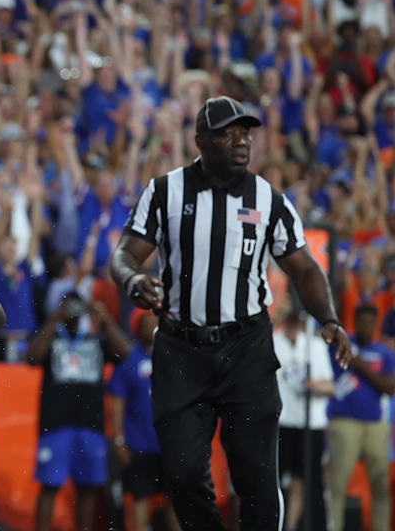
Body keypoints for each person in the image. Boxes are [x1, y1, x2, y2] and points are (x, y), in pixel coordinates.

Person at [110, 96, 353, 530]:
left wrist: (329, 319)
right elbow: (125, 255)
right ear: (200, 141)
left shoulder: (268, 199)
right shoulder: (165, 190)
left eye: (246, 133)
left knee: (257, 477)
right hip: (182, 348)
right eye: (228, 133)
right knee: (183, 474)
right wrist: (133, 281)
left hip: (246, 348)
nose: (241, 142)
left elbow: (303, 267)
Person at [27, 293, 130, 531]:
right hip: (55, 425)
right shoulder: (51, 338)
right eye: (67, 306)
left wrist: (106, 321)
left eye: (76, 307)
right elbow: (32, 357)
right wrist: (53, 319)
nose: (72, 312)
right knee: (49, 486)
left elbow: (125, 354)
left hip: (90, 424)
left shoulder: (96, 339)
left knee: (87, 488)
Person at [108, 311, 181, 531]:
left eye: (155, 324)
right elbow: (117, 402)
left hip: (170, 444)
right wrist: (119, 439)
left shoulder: (171, 358)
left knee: (177, 502)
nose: (151, 328)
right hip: (139, 443)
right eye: (146, 324)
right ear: (137, 329)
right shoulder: (129, 362)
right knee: (141, 498)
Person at [327, 303, 395, 531]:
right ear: (354, 323)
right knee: (337, 485)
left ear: (375, 324)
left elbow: (388, 387)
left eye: (370, 322)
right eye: (362, 322)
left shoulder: (384, 353)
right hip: (344, 422)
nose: (366, 327)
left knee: (381, 485)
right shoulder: (340, 347)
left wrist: (360, 365)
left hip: (375, 424)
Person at [273, 307, 333, 531]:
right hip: (281, 421)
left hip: (309, 423)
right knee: (275, 480)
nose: (294, 324)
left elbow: (329, 386)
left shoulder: (314, 346)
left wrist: (313, 385)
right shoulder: (273, 342)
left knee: (301, 480)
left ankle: (289, 526)